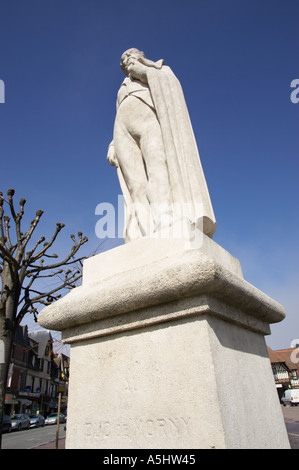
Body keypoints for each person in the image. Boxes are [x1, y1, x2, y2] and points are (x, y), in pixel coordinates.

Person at [108, 48, 216, 242]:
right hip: (122, 130)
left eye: (129, 56)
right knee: (135, 185)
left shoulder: (158, 70)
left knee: (158, 169)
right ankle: (144, 231)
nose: (126, 60)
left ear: (141, 55)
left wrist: (144, 72)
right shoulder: (122, 89)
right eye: (123, 60)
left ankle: (165, 218)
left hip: (150, 122)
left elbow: (169, 89)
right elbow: (118, 114)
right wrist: (113, 145)